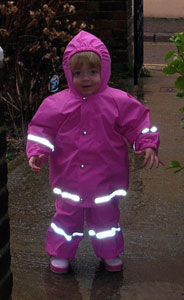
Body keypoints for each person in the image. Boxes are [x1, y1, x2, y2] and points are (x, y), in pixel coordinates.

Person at [26, 30, 163, 274]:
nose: (85, 78)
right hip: (70, 178)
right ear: (69, 73)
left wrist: (147, 143)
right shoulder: (57, 104)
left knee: (106, 221)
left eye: (92, 72)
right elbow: (42, 129)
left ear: (104, 71)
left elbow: (138, 122)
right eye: (78, 73)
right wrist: (37, 150)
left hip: (105, 178)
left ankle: (110, 253)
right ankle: (61, 253)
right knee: (66, 220)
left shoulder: (118, 101)